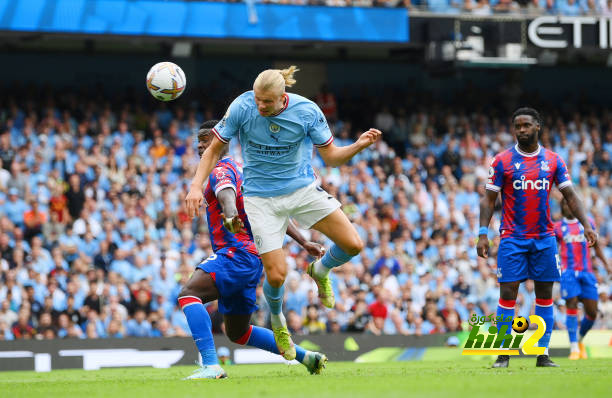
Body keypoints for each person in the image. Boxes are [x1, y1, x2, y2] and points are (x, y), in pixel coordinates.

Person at [185, 66, 381, 360]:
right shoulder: (243, 106)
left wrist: (358, 145)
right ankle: (278, 322)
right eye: (257, 99)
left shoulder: (307, 112)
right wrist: (195, 187)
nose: (259, 106)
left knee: (354, 244)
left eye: (266, 101)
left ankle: (321, 269)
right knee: (277, 276)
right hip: (261, 199)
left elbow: (332, 157)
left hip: (301, 191)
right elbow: (214, 149)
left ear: (282, 98)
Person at [179, 121, 328, 380]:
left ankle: (211, 365)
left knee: (188, 294)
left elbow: (226, 193)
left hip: (235, 254)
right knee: (238, 332)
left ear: (222, 142)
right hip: (252, 257)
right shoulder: (245, 171)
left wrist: (229, 213)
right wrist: (303, 242)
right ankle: (306, 357)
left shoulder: (220, 170)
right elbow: (272, 211)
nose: (202, 145)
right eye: (199, 142)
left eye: (207, 139)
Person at [477, 107, 598, 368]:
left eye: (526, 125)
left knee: (545, 295)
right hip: (512, 237)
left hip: (544, 237)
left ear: (537, 126)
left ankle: (542, 354)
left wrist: (586, 225)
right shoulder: (502, 161)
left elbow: (571, 196)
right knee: (508, 292)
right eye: (517, 126)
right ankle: (503, 353)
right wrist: (482, 233)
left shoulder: (554, 160)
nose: (521, 130)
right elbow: (488, 201)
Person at [554, 198, 610, 360]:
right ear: (562, 208)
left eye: (570, 203)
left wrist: (607, 265)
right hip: (568, 273)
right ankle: (573, 349)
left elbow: (597, 245)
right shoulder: (558, 227)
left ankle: (579, 340)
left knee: (592, 312)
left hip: (587, 272)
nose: (568, 206)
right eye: (565, 204)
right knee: (571, 304)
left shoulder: (588, 224)